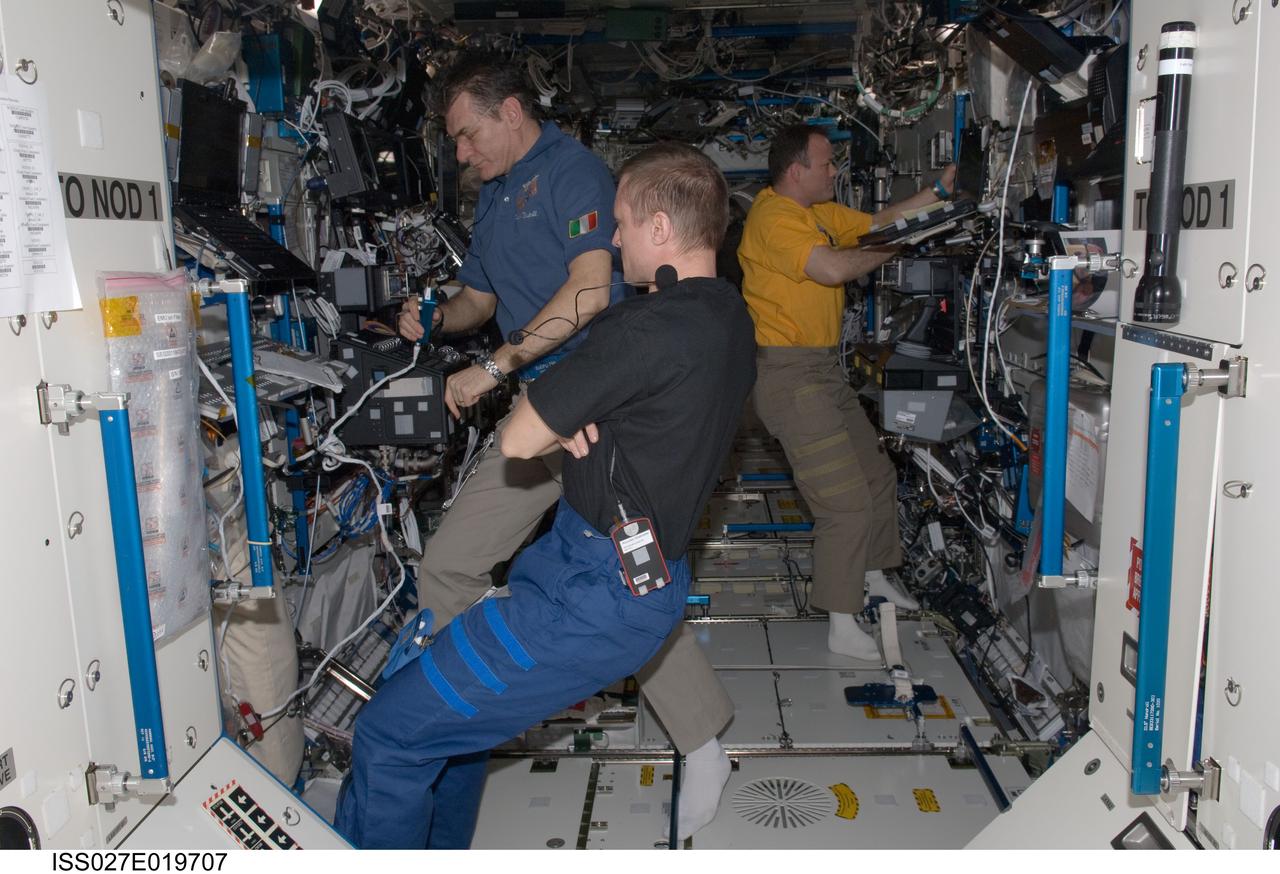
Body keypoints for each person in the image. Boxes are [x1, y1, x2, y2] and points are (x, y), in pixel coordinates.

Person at [335, 142, 756, 849]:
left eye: (621, 223)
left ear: (660, 228)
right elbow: (650, 414)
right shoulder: (732, 320)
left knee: (389, 734)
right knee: (456, 734)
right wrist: (591, 420)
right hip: (633, 573)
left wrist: (564, 413)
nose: (613, 239)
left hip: (587, 594)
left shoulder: (640, 329)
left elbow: (521, 439)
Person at [737, 124, 957, 660]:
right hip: (789, 379)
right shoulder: (774, 219)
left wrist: (942, 194)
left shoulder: (815, 213)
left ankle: (877, 577)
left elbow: (880, 222)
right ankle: (840, 621)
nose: (834, 171)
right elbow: (833, 268)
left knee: (876, 474)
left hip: (822, 372)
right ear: (797, 172)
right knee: (845, 504)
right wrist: (901, 244)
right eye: (826, 163)